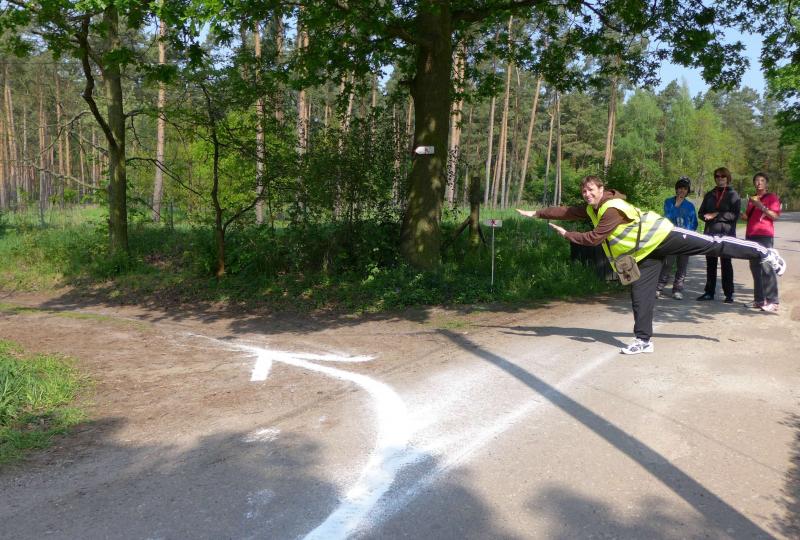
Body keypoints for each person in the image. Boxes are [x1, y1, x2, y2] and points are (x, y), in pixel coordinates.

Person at [516, 175, 786, 355]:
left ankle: (763, 252)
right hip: (641, 254)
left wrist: (567, 235)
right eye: (584, 191)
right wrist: (537, 213)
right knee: (640, 295)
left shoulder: (611, 208)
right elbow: (566, 211)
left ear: (601, 189)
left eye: (591, 190)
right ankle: (643, 340)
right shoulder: (592, 208)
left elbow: (594, 238)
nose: (587, 194)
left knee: (712, 244)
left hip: (662, 237)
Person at [696, 167, 741, 303]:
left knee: (726, 263)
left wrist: (716, 215)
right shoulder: (710, 194)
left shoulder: (733, 194)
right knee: (711, 263)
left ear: (727, 178)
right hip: (710, 233)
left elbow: (734, 215)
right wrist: (706, 216)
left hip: (726, 234)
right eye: (717, 176)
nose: (720, 178)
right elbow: (700, 213)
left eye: (723, 176)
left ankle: (729, 294)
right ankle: (709, 292)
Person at [742, 172, 781, 312]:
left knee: (767, 267)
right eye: (757, 180)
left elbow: (775, 216)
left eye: (762, 180)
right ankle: (759, 300)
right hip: (751, 235)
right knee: (755, 268)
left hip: (764, 236)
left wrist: (761, 206)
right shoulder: (752, 198)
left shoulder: (772, 197)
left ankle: (773, 301)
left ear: (766, 183)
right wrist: (741, 214)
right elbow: (748, 217)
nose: (759, 183)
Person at [656, 177, 698, 300]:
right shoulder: (668, 202)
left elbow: (694, 222)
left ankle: (677, 289)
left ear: (687, 191)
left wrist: (689, 233)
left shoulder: (690, 206)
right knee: (667, 264)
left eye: (685, 189)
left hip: (685, 240)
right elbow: (668, 218)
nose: (682, 191)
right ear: (676, 189)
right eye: (680, 188)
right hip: (671, 238)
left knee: (682, 266)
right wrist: (677, 205)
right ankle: (659, 287)